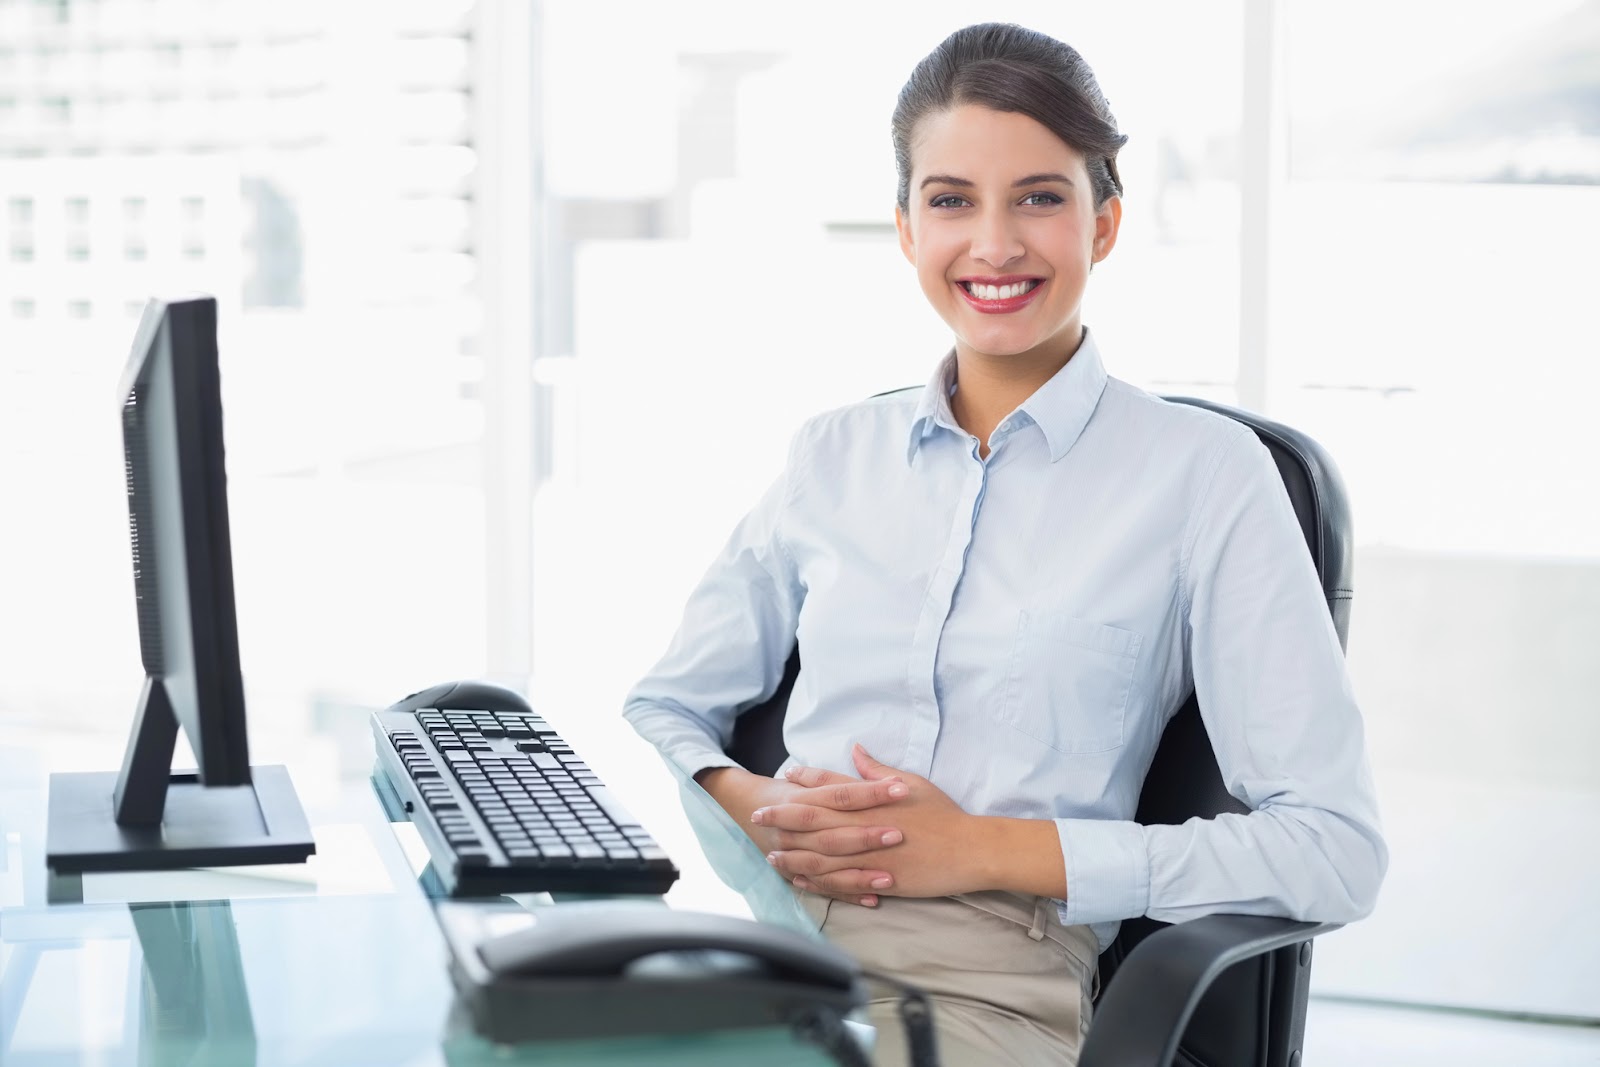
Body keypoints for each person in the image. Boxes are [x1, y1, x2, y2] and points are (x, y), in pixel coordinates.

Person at [623, 22, 1386, 1066]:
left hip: (986, 989)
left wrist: (983, 848)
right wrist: (748, 803)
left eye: (1038, 196)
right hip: (768, 946)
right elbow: (671, 704)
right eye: (950, 200)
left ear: (1103, 223)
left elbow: (1334, 851)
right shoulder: (832, 455)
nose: (993, 244)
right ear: (903, 228)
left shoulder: (1205, 475)